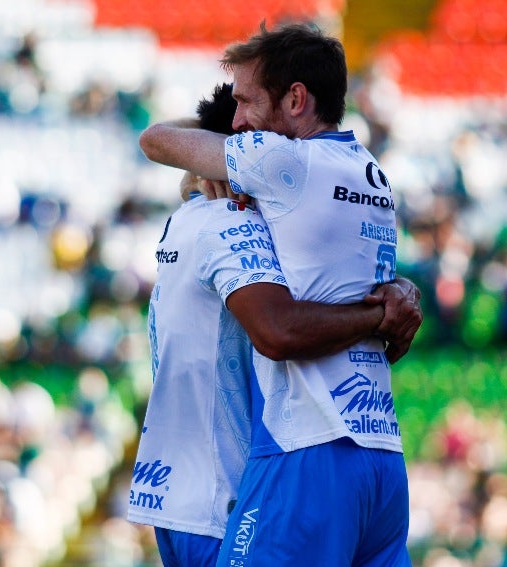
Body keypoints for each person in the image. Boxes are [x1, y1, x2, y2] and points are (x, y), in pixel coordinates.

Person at [139, 22, 418, 565]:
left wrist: (207, 156)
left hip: (306, 444)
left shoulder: (286, 164)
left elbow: (155, 140)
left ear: (296, 99)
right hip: (382, 457)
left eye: (246, 101)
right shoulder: (372, 174)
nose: (237, 120)